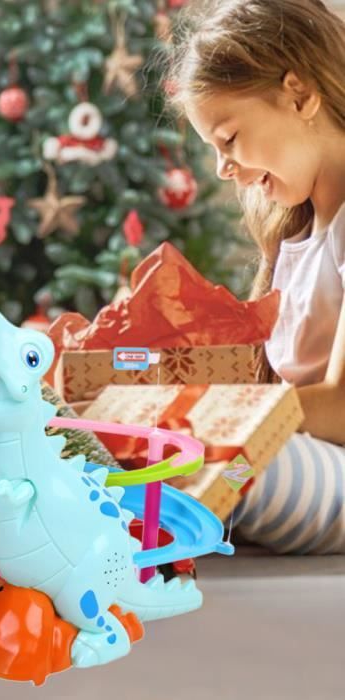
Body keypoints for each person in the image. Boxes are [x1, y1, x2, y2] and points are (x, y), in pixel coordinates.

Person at [167, 0, 345, 553]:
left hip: (328, 465)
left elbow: (341, 406)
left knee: (221, 461)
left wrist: (220, 418)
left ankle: (186, 507)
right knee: (163, 452)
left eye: (229, 139)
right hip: (305, 456)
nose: (224, 169)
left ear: (299, 94)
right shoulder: (298, 235)